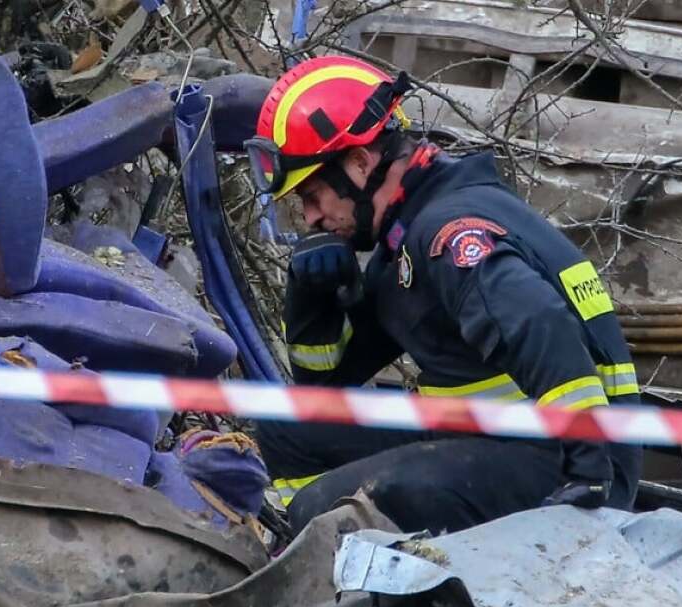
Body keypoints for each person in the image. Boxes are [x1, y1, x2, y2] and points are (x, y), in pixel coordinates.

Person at [244, 55, 642, 534]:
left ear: (358, 162)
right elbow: (323, 390)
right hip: (487, 439)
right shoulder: (405, 240)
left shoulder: (448, 233)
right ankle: (311, 553)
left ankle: (374, 586)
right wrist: (311, 295)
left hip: (563, 460)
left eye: (312, 197)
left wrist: (587, 470)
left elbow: (540, 321)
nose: (309, 218)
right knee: (287, 432)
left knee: (330, 509)